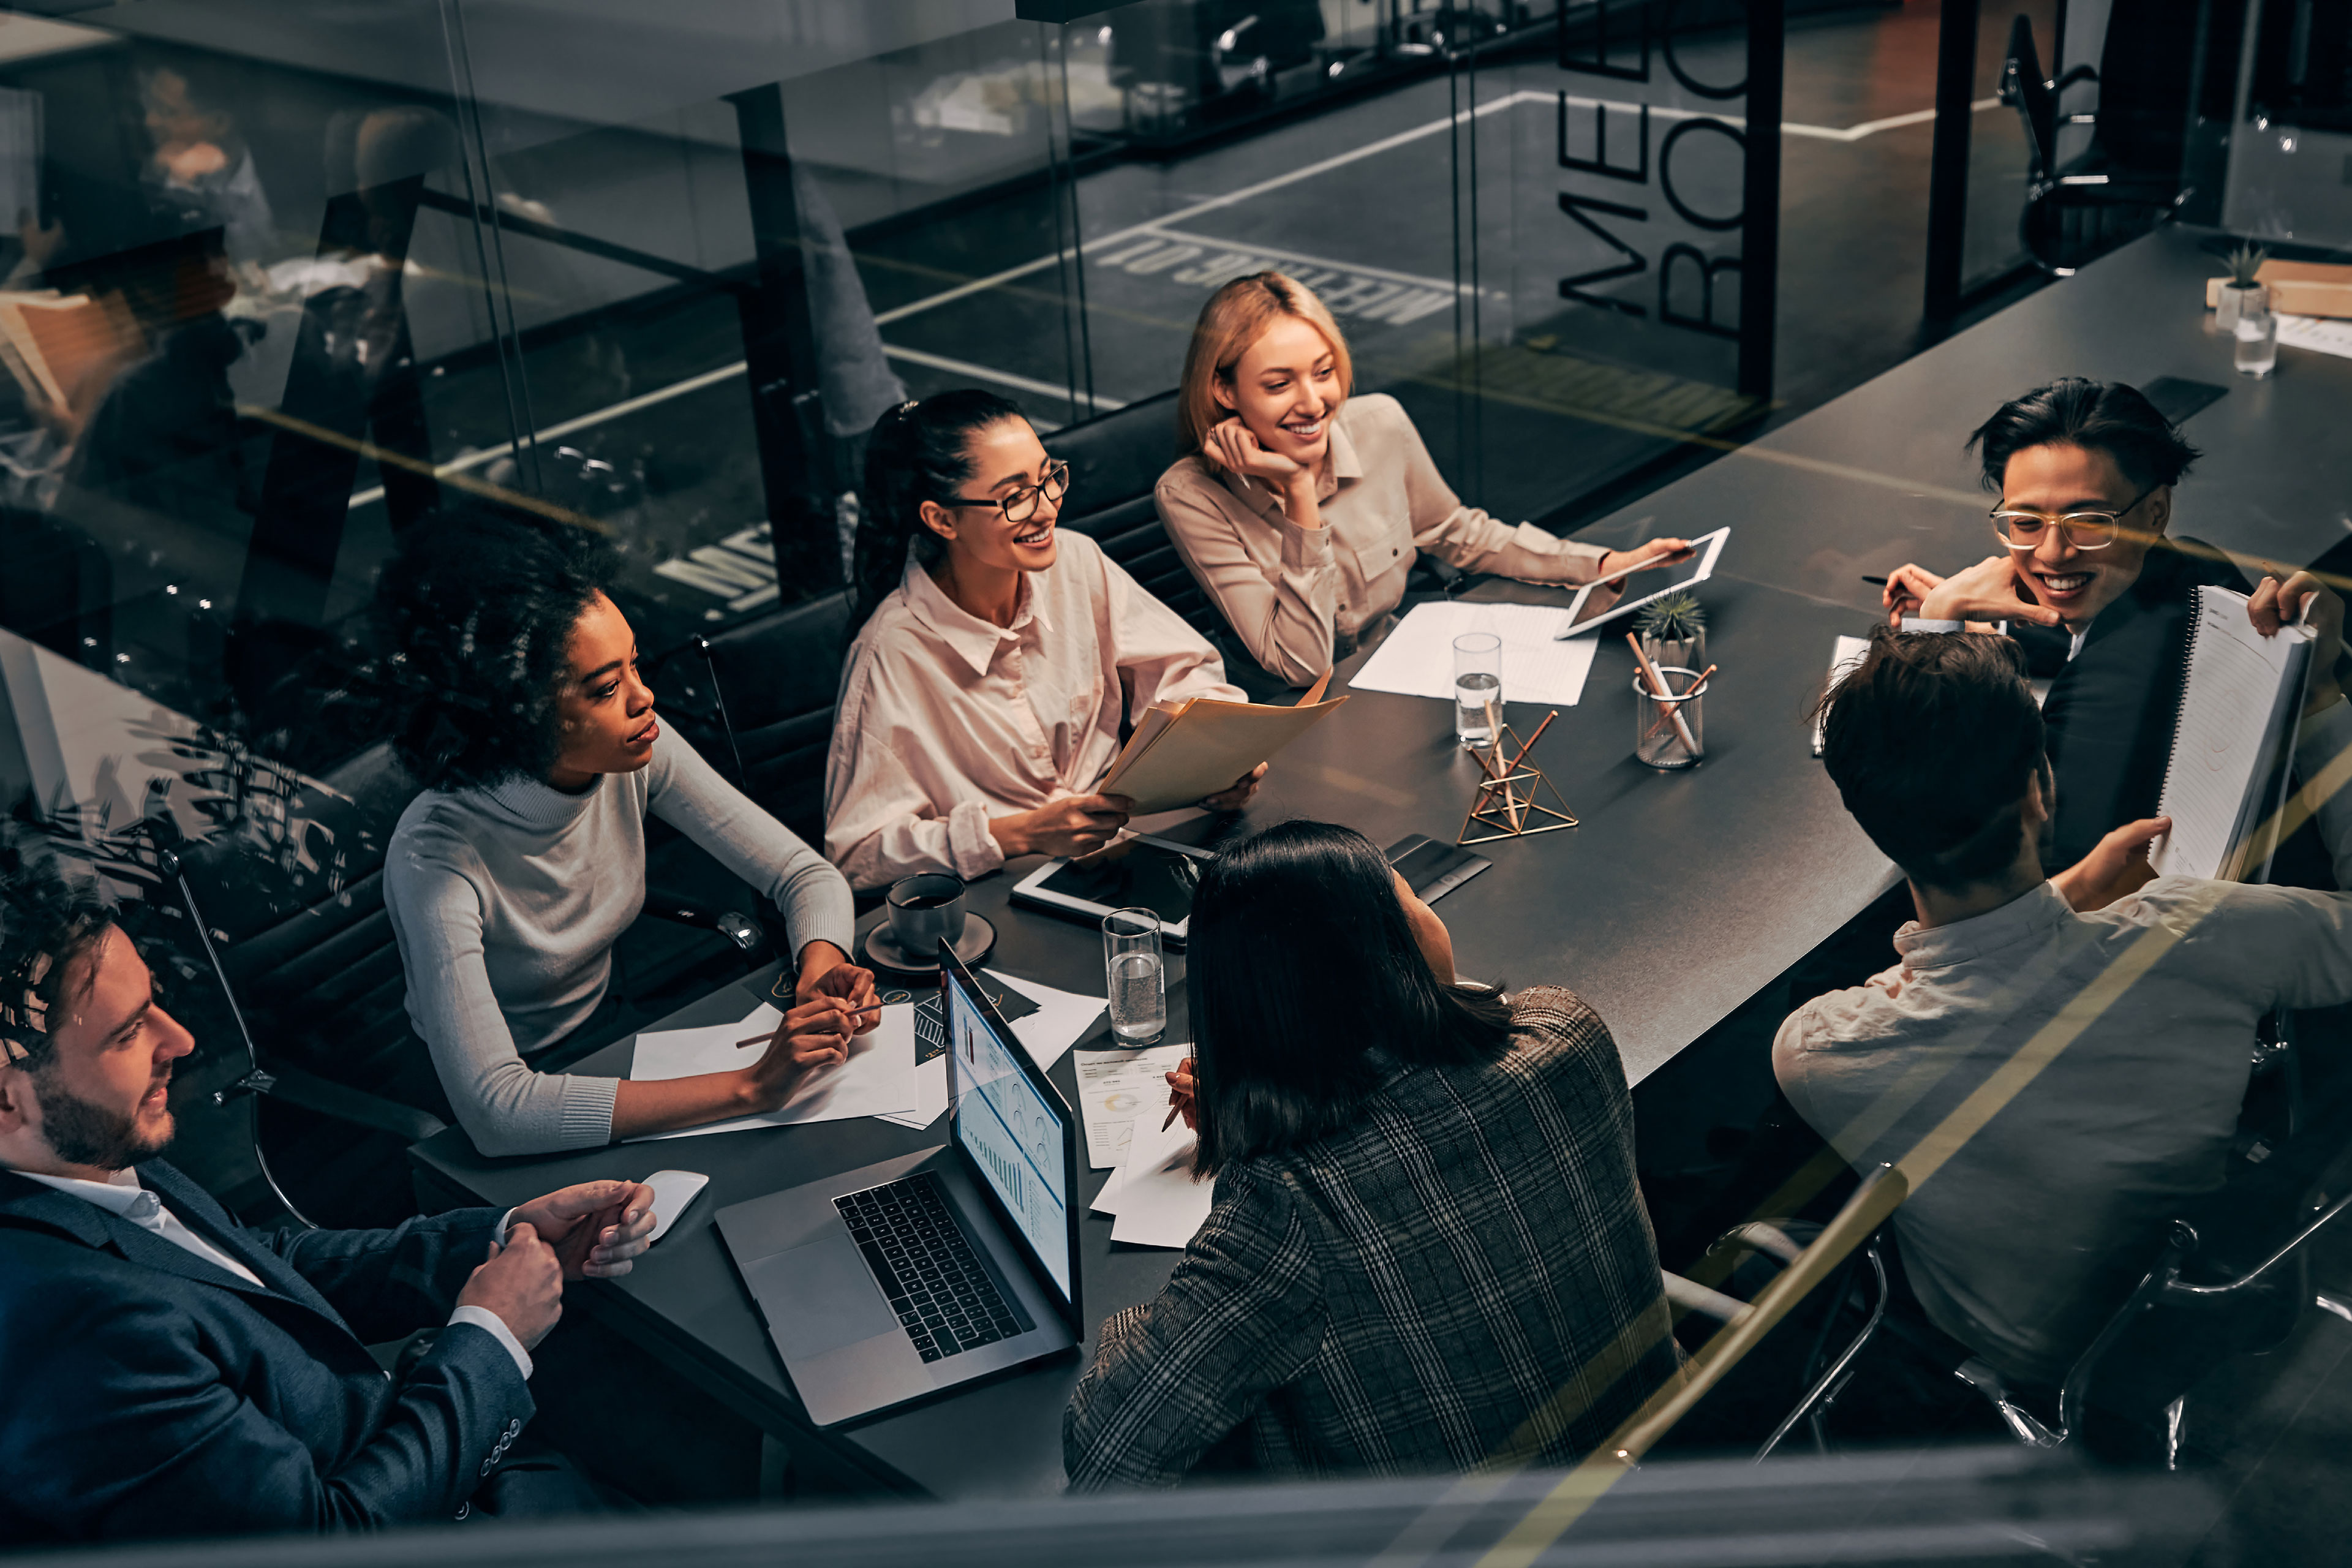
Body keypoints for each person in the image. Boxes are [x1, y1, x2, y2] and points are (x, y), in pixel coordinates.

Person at [0, 838, 659, 1538]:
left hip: (451, 1459)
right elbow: (329, 1540)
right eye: (128, 1033)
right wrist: (491, 1336)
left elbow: (255, 1268)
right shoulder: (72, 1339)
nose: (183, 1041)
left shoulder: (82, 1150)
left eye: (153, 1002)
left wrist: (495, 1238)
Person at [1780, 592, 2352, 1392]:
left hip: (1989, 1345)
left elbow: (1969, 982)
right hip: (2183, 1312)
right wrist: (2323, 703)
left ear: (1869, 821)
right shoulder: (2197, 928)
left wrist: (2073, 895)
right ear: (2040, 785)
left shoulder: (1819, 1053)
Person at [1063, 821, 1681, 1487]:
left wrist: (1262, 1108)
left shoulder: (1283, 1208)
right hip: (1665, 1460)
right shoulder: (1566, 1032)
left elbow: (1107, 1445)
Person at [380, 510, 874, 1158]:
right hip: (491, 1101)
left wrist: (820, 969)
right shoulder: (436, 856)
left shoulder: (636, 750)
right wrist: (754, 1087)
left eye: (635, 667)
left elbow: (804, 876)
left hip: (611, 1031)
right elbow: (498, 1111)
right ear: (520, 712)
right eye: (607, 687)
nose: (645, 700)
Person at [1153, 272, 1691, 686]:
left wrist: (1597, 566)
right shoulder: (1190, 495)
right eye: (1279, 384)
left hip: (1399, 676)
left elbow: (1458, 533)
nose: (1314, 403)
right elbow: (1302, 664)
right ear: (1224, 392)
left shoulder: (1379, 423)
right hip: (1295, 722)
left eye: (1324, 372)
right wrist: (1297, 491)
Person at [827, 391, 1264, 892]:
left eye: (1048, 478)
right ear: (942, 519)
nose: (1047, 508)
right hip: (1002, 896)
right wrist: (1019, 834)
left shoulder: (1077, 561)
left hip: (1129, 852)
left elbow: (1185, 671)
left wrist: (1218, 756)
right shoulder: (890, 652)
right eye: (1014, 497)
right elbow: (857, 857)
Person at [1878, 378, 2254, 868]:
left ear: (2156, 511)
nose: (2053, 553)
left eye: (2089, 523)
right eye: (2026, 522)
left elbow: (1962, 830)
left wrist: (1937, 630)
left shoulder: (2116, 684)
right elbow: (2087, 632)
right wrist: (1984, 625)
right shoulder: (2190, 570)